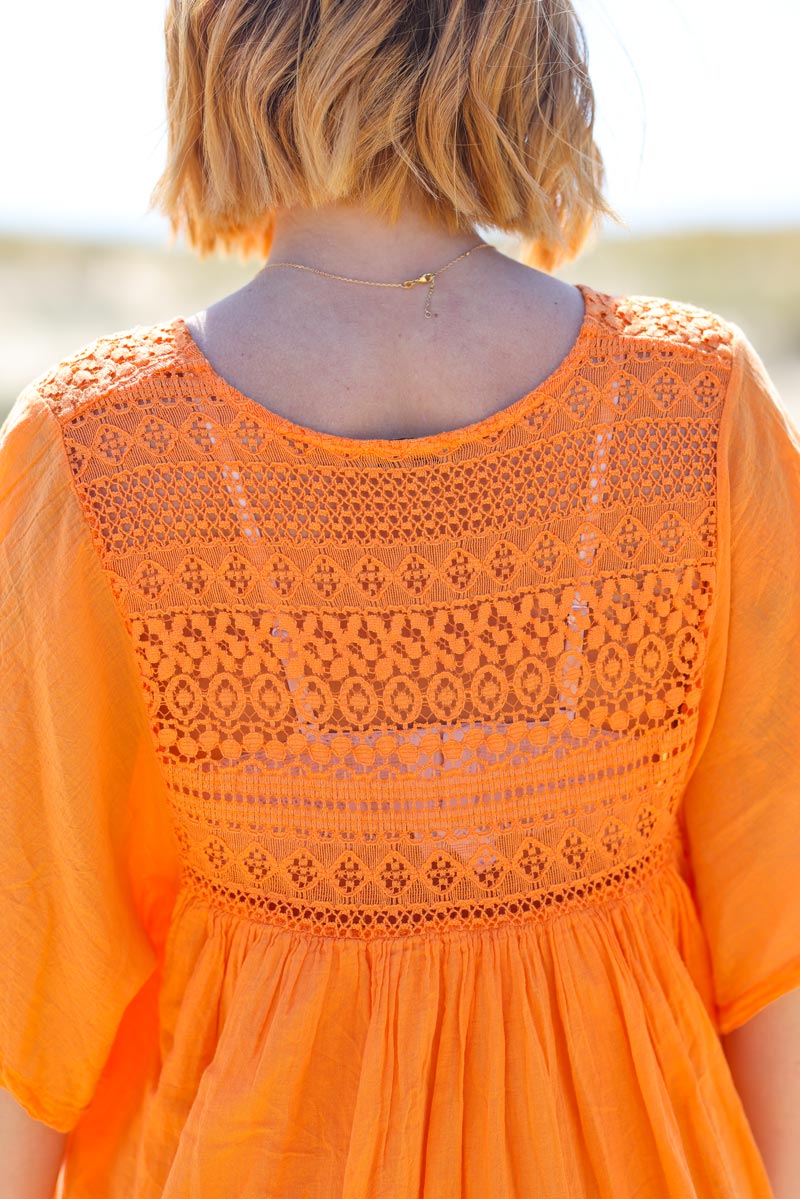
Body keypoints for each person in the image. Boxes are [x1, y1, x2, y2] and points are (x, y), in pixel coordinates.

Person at [1, 1, 798, 1195]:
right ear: (521, 44)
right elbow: (773, 917)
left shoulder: (94, 445)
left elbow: (36, 958)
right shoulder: (691, 398)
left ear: (224, 46)